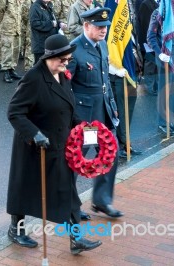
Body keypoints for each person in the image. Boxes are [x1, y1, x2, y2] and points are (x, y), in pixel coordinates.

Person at [7, 34, 102, 254]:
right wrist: (34, 134)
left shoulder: (63, 75)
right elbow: (14, 112)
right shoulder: (33, 78)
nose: (66, 63)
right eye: (63, 59)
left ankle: (76, 240)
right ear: (50, 57)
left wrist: (85, 128)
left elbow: (68, 109)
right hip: (35, 147)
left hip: (60, 146)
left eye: (68, 59)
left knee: (67, 191)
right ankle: (16, 229)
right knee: (25, 190)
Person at [67, 7, 124, 218]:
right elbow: (65, 87)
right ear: (86, 26)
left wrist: (112, 105)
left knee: (111, 153)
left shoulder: (103, 46)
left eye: (105, 27)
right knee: (76, 159)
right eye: (99, 27)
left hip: (103, 113)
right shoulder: (74, 50)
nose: (103, 30)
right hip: (85, 118)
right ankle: (71, 205)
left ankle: (101, 200)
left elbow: (104, 80)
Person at [147, 0, 174, 135]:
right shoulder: (157, 13)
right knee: (164, 90)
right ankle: (163, 123)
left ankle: (171, 120)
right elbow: (150, 37)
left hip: (173, 54)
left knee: (173, 88)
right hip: (163, 55)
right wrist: (160, 53)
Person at [137, 0, 159, 95]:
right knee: (150, 63)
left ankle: (156, 86)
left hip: (156, 38)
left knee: (156, 63)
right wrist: (151, 40)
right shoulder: (145, 4)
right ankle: (150, 87)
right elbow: (146, 24)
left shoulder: (158, 3)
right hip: (148, 39)